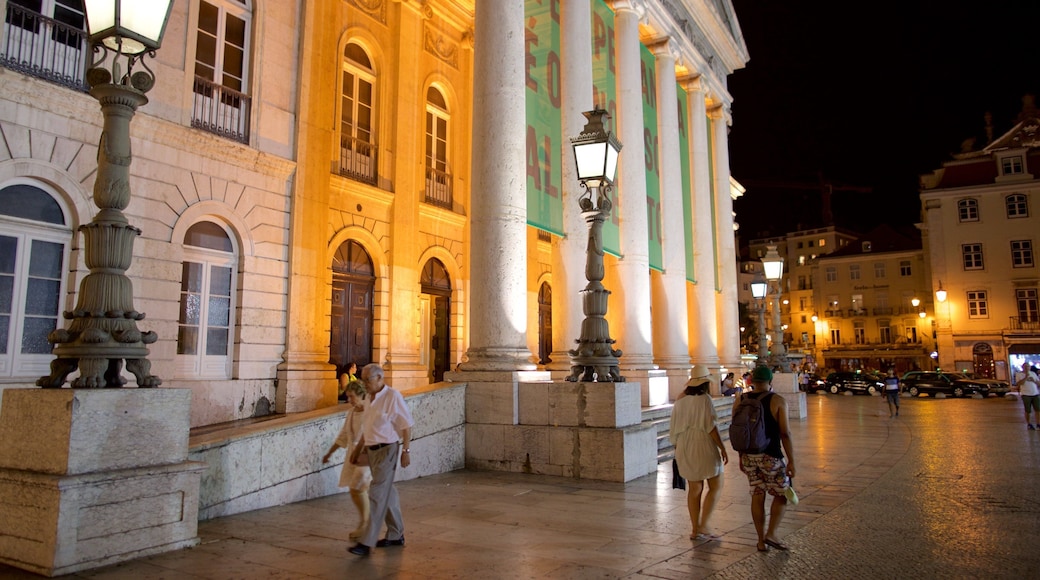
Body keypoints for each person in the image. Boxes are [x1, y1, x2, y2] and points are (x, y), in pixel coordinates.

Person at [348, 364, 415, 556]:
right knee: (387, 492)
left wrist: (406, 450)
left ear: (379, 378)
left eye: (367, 380)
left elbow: (406, 424)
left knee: (377, 493)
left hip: (387, 450)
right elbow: (367, 426)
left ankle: (366, 542)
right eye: (362, 379)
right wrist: (358, 449)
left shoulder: (392, 397)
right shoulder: (370, 398)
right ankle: (396, 534)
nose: (364, 384)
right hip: (372, 450)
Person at [736, 365, 796, 552]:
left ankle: (761, 541)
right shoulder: (777, 400)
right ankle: (772, 533)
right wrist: (791, 460)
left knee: (757, 494)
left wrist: (741, 456)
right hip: (770, 455)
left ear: (752, 381)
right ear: (770, 381)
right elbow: (785, 433)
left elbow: (739, 431)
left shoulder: (740, 400)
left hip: (748, 456)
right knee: (782, 494)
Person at [670, 369, 729, 541]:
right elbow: (711, 427)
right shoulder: (705, 399)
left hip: (684, 444)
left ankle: (695, 529)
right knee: (716, 484)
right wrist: (722, 447)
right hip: (702, 442)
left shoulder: (680, 401)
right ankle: (704, 524)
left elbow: (673, 427)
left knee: (695, 488)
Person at [322, 379, 372, 540]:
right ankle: (365, 522)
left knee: (359, 487)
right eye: (348, 397)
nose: (349, 400)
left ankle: (366, 524)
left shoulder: (370, 411)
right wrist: (329, 453)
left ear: (361, 394)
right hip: (353, 456)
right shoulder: (351, 413)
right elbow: (344, 435)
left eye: (351, 397)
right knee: (355, 488)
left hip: (366, 456)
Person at [1014, 362, 1040, 430]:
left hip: (1035, 393)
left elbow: (1038, 383)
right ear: (1022, 367)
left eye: (1028, 366)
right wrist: (1025, 377)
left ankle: (1038, 424)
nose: (1027, 368)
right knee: (1028, 410)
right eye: (1025, 367)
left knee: (1038, 410)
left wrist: (1034, 380)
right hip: (1026, 394)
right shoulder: (1019, 374)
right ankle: (1029, 424)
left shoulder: (1033, 373)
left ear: (1030, 367)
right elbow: (1019, 383)